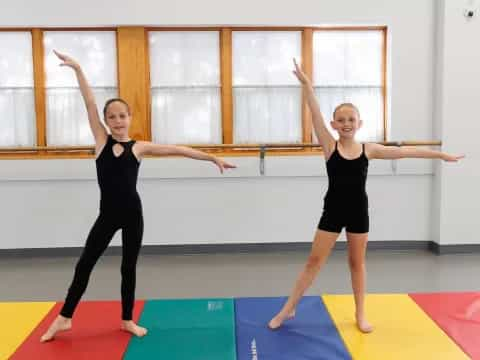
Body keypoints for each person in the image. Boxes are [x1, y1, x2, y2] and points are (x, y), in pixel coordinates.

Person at [40, 50, 236, 342]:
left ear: (130, 117)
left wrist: (212, 158)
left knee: (128, 267)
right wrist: (78, 69)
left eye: (122, 115)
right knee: (85, 264)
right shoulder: (100, 142)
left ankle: (127, 320)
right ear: (105, 121)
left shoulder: (139, 147)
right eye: (112, 117)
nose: (117, 121)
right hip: (107, 215)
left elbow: (177, 149)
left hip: (133, 213)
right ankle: (65, 318)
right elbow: (90, 102)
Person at [268, 59, 464, 333]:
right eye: (342, 120)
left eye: (352, 119)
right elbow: (313, 113)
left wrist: (441, 155)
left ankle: (360, 314)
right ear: (334, 124)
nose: (347, 123)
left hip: (359, 211)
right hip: (333, 211)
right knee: (314, 261)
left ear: (359, 122)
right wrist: (307, 85)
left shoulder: (368, 149)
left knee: (357, 263)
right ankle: (288, 309)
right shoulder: (329, 144)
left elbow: (405, 152)